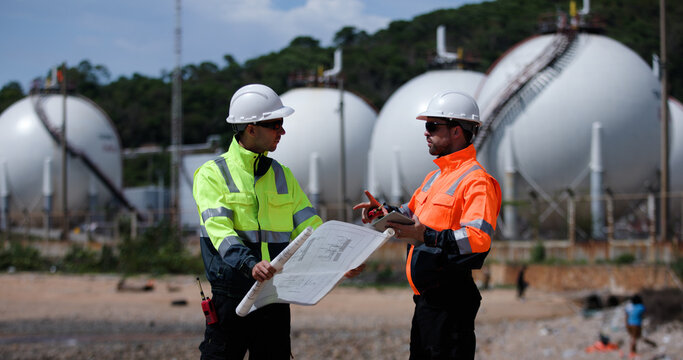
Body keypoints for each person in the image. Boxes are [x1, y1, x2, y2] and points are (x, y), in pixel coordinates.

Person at [193, 84, 363, 359]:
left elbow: (311, 229)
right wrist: (249, 264)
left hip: (274, 295)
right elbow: (220, 231)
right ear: (251, 128)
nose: (282, 132)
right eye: (275, 125)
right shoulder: (212, 175)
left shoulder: (283, 175)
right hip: (231, 296)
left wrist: (341, 262)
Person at [354, 90, 501, 359]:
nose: (426, 132)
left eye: (432, 126)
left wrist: (427, 235)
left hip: (451, 303)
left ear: (457, 131)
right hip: (426, 302)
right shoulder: (435, 177)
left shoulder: (477, 181)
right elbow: (409, 214)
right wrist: (382, 212)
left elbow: (478, 238)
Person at [624, 294, 645, 358]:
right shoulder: (640, 307)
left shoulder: (629, 306)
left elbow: (626, 315)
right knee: (634, 338)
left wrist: (626, 324)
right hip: (636, 324)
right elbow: (642, 315)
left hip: (629, 324)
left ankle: (633, 350)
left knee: (633, 337)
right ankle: (632, 351)